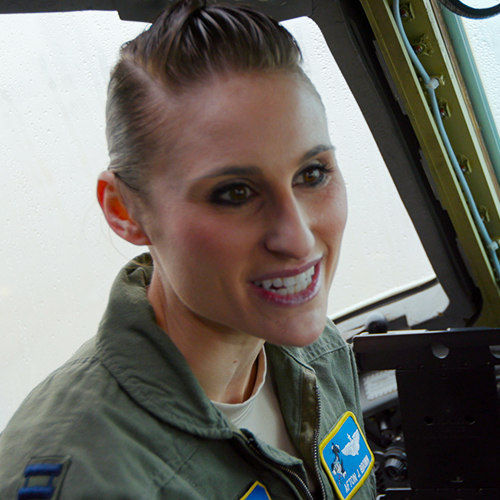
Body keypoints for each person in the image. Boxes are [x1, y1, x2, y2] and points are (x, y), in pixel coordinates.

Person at [0, 1, 376, 499]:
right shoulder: (81, 477)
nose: (299, 239)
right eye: (235, 193)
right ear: (126, 211)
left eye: (312, 174)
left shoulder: (316, 354)